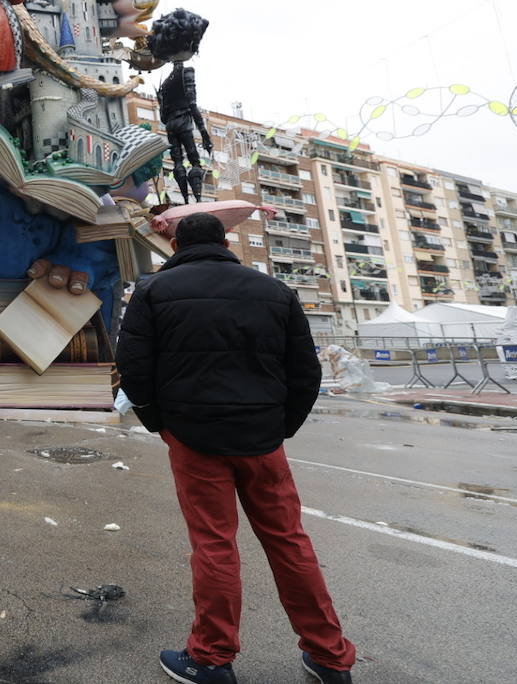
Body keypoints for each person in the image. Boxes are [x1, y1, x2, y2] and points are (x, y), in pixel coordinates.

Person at [115, 212, 356, 684]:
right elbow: (305, 372)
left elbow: (133, 366)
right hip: (263, 440)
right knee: (290, 542)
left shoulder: (153, 291)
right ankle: (330, 656)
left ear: (177, 246)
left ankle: (211, 658)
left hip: (193, 437)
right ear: (226, 242)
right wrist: (280, 427)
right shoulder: (275, 291)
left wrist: (161, 425)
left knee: (214, 545)